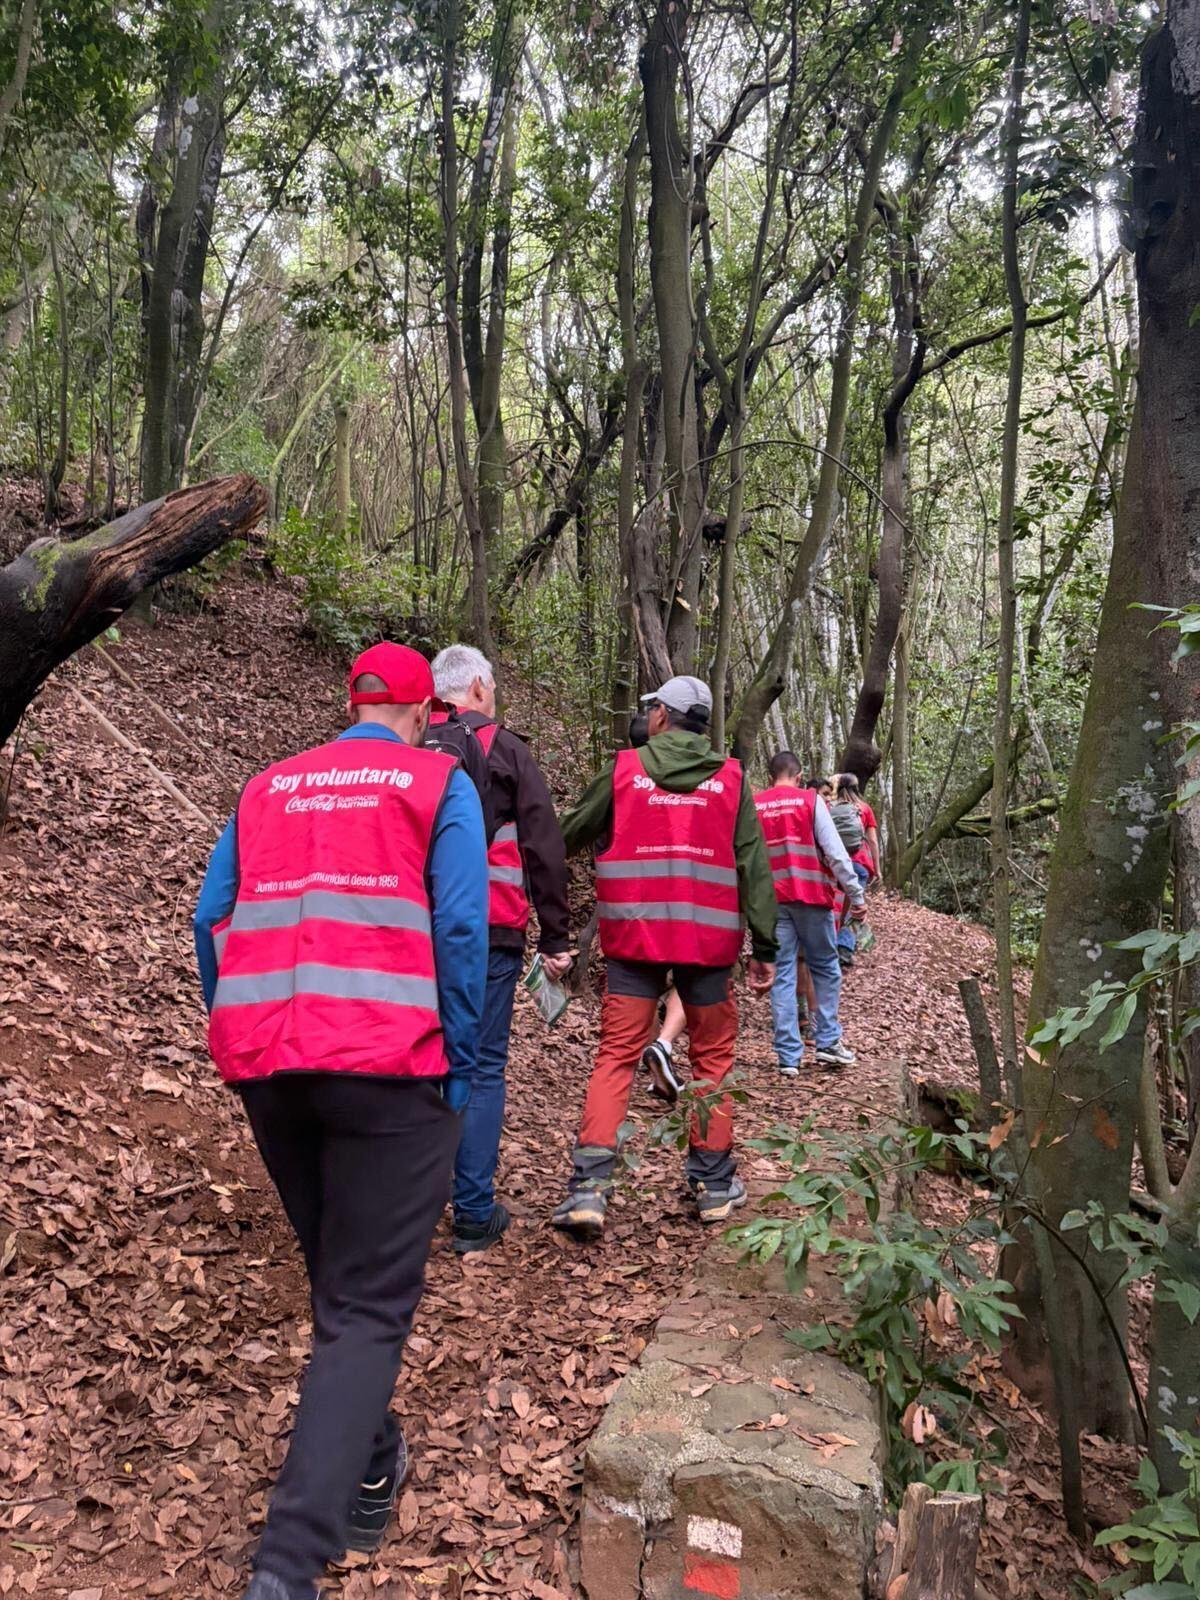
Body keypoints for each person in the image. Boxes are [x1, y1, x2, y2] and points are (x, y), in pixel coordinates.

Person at [193, 642, 488, 1600]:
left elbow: (212, 917)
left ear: (352, 700)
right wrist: (462, 1056)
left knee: (341, 1285)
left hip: (271, 1062)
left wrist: (233, 1025)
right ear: (420, 710)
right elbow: (458, 929)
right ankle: (286, 1566)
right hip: (390, 1065)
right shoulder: (437, 783)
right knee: (363, 1309)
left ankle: (372, 1462)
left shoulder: (268, 786)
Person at [552, 675, 778, 1238]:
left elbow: (567, 836)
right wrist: (765, 945)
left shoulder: (625, 770)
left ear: (659, 717)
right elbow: (753, 864)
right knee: (712, 1061)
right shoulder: (731, 780)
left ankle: (589, 1191)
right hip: (708, 946)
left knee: (617, 1056)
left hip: (634, 940)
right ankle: (713, 1186)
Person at [431, 644, 572, 1255]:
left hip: (409, 928)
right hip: (491, 927)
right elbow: (543, 845)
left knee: (415, 1064)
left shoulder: (407, 745)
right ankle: (472, 1213)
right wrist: (558, 935)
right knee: (481, 1066)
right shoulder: (505, 750)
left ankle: (404, 1205)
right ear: (481, 687)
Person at [754, 751, 864, 1075]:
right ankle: (828, 1042)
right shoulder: (810, 802)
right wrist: (856, 894)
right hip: (811, 898)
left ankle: (789, 1057)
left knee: (783, 974)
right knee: (826, 968)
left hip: (772, 902)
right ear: (799, 775)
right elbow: (836, 853)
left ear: (770, 774)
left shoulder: (755, 805)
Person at [628, 708, 687, 1102]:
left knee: (645, 983)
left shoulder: (621, 778)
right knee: (687, 977)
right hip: (681, 899)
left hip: (630, 903)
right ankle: (663, 1045)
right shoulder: (679, 778)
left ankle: (654, 1065)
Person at [831, 772, 879, 966]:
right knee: (853, 908)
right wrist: (877, 868)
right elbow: (873, 841)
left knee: (835, 905)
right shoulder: (864, 809)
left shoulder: (828, 807)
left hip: (835, 864)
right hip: (858, 864)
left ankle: (829, 942)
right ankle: (844, 948)